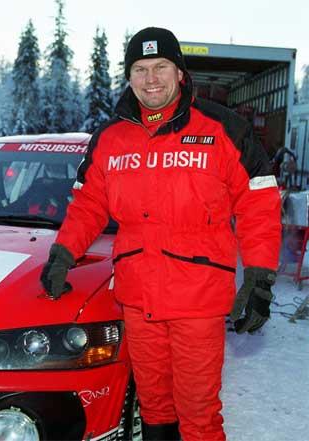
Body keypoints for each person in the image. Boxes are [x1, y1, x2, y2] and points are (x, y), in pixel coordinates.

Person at [40, 27, 281, 441]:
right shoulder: (110, 139)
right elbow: (88, 204)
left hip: (198, 301)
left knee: (198, 415)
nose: (151, 79)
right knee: (153, 408)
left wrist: (260, 278)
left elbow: (258, 204)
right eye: (141, 69)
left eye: (161, 67)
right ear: (129, 77)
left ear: (180, 73)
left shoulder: (223, 129)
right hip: (138, 298)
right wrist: (63, 253)